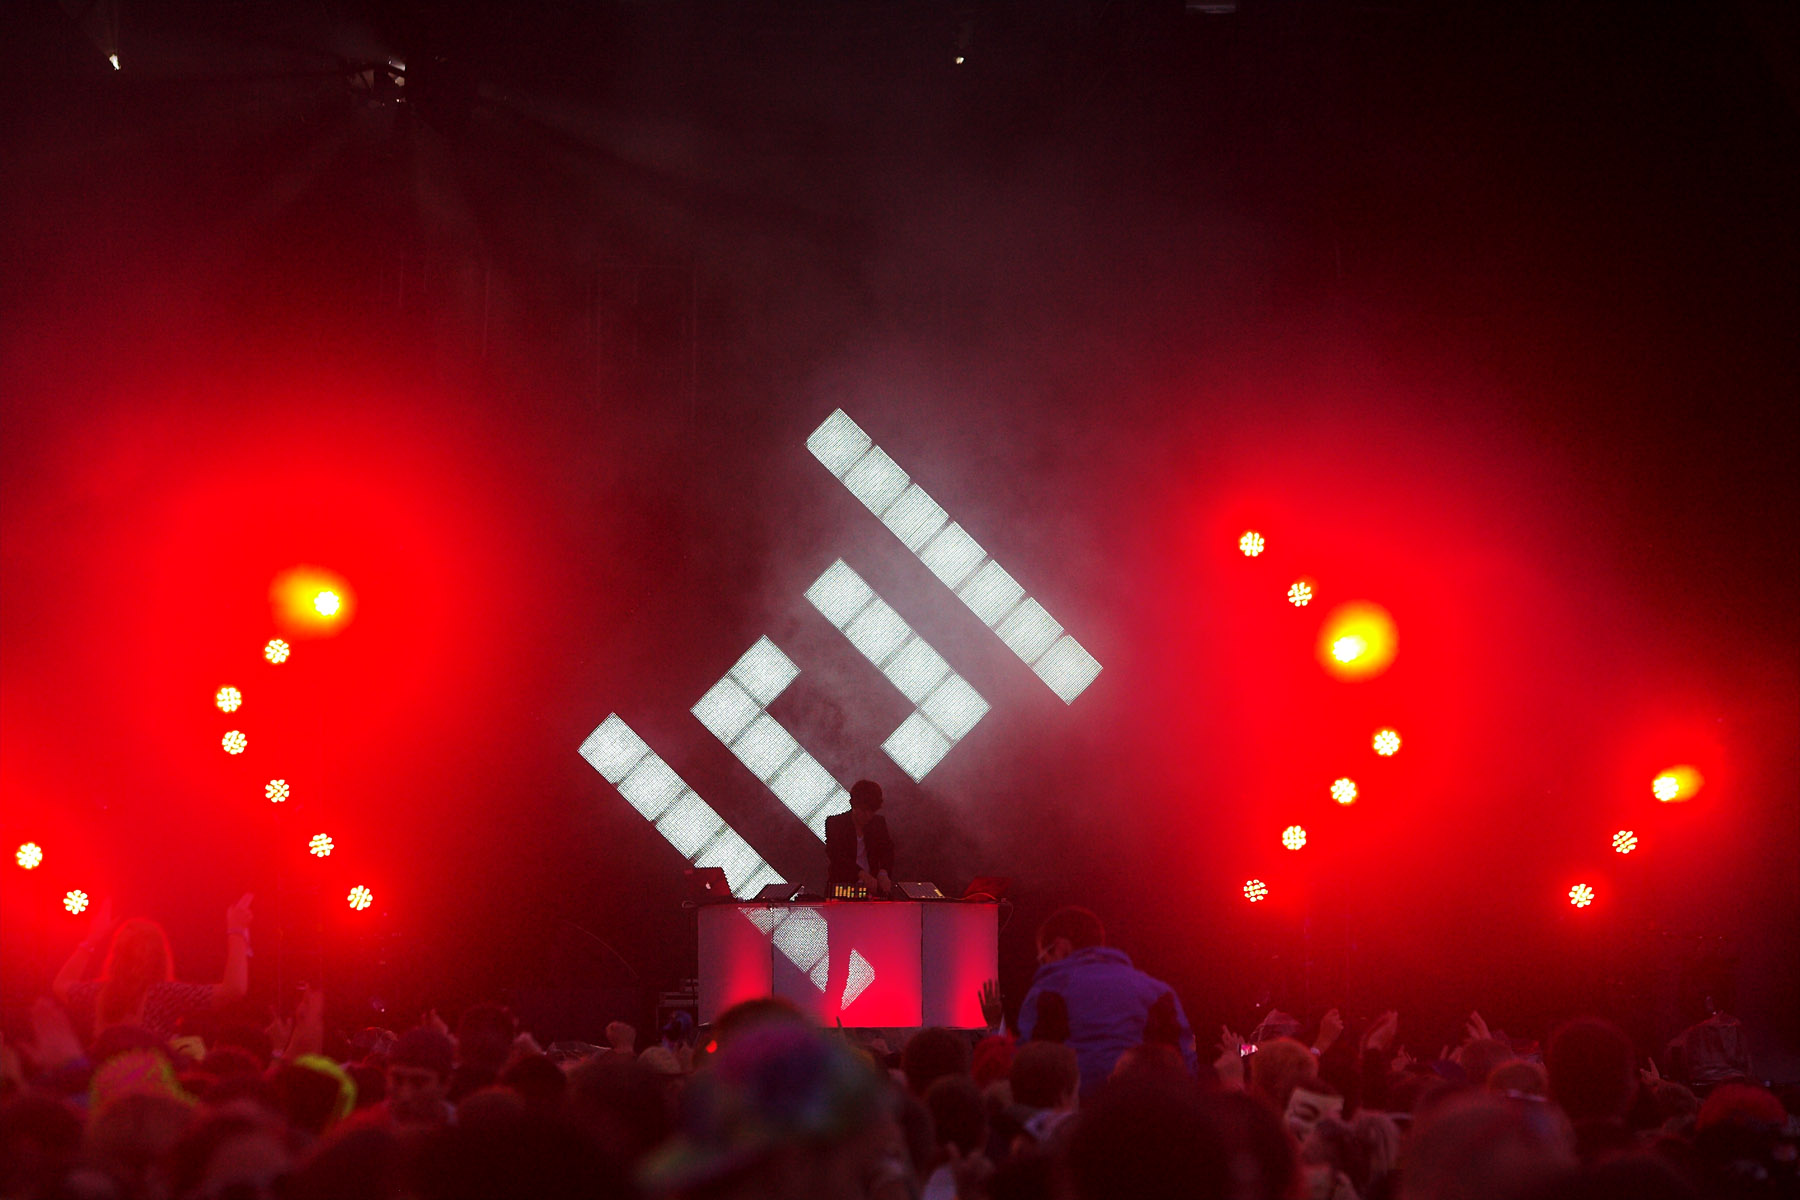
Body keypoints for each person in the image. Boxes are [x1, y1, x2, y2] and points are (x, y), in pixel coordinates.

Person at [1015, 907, 1197, 1100]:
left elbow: (1029, 1062)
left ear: (1061, 947)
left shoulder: (1048, 991)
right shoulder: (1158, 991)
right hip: (1148, 1105)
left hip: (1074, 1109)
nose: (1044, 965)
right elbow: (1183, 1057)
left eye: (1043, 958)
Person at [51, 893, 254, 1040]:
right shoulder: (165, 995)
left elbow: (61, 985)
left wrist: (92, 938)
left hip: (105, 1085)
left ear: (115, 956)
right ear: (160, 957)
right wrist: (236, 930)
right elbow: (234, 989)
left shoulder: (97, 994)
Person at [824, 779, 893, 897]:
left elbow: (888, 851)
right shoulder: (835, 824)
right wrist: (861, 874)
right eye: (863, 810)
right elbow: (836, 855)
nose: (867, 816)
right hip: (842, 889)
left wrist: (883, 872)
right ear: (853, 805)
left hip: (872, 890)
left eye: (871, 811)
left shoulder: (878, 823)